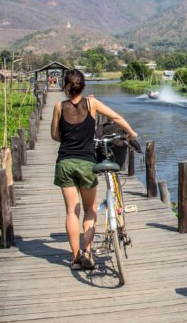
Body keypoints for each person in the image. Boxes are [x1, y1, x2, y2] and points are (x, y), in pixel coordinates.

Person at [51, 69, 137, 271]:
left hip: (65, 163)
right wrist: (131, 133)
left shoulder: (58, 106)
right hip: (86, 163)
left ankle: (74, 259)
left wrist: (70, 138)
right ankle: (87, 252)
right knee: (89, 209)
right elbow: (116, 118)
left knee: (72, 210)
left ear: (65, 87)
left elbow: (55, 135)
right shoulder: (92, 104)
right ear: (83, 87)